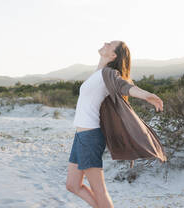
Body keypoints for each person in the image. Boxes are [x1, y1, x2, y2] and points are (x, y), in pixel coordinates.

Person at [65, 40, 164, 208]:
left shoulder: (109, 74)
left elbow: (124, 86)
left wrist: (147, 95)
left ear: (113, 55)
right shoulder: (98, 74)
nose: (105, 42)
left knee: (100, 191)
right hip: (80, 136)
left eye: (110, 44)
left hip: (90, 137)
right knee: (72, 185)